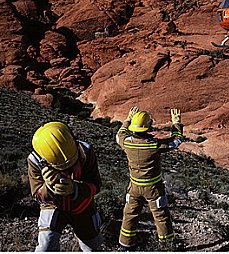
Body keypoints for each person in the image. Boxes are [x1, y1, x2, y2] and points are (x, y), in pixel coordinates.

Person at [27, 122, 103, 251]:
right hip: (54, 207)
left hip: (82, 206)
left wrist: (75, 188)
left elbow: (95, 185)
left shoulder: (86, 152)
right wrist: (49, 187)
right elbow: (37, 195)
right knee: (45, 247)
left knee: (93, 247)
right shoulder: (35, 161)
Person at [116, 107, 184, 248]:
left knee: (130, 214)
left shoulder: (127, 143)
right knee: (160, 216)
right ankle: (166, 245)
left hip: (134, 187)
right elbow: (176, 141)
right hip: (153, 188)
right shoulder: (154, 144)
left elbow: (119, 134)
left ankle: (125, 244)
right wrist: (176, 124)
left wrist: (127, 120)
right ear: (148, 127)